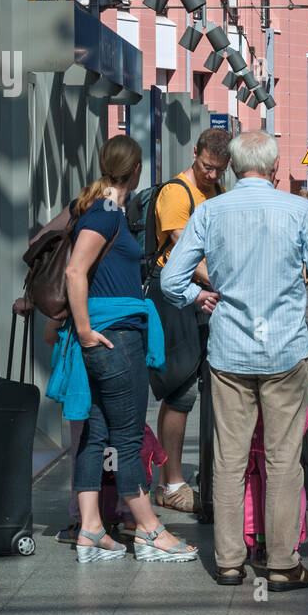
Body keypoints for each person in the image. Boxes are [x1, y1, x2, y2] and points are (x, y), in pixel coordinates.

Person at [162, 131, 308, 591]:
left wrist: (199, 296)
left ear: (231, 169)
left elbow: (172, 278)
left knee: (229, 460)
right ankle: (283, 563)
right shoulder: (299, 210)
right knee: (283, 461)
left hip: (228, 353)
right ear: (274, 170)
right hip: (285, 352)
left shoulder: (209, 211)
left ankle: (229, 563)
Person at [46, 135, 209, 563]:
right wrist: (83, 330)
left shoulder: (97, 208)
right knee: (129, 435)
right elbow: (75, 271)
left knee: (97, 434)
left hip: (108, 332)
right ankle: (151, 530)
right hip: (113, 336)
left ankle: (91, 530)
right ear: (135, 171)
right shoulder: (104, 213)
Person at [150, 128, 232, 514]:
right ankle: (172, 483)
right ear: (194, 152)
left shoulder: (216, 192)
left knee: (202, 387)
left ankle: (189, 476)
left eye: (219, 169)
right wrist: (223, 280)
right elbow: (185, 254)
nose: (211, 175)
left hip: (203, 302)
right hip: (175, 299)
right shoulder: (175, 193)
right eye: (206, 166)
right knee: (179, 391)